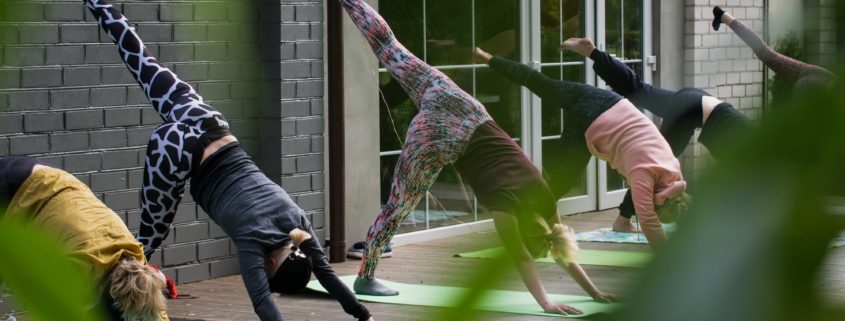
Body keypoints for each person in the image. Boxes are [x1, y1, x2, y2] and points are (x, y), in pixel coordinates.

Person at [83, 1, 373, 320]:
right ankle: (105, 306)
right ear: (272, 265)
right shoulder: (252, 244)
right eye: (269, 275)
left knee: (141, 58)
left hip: (210, 124)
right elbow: (263, 304)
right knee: (144, 243)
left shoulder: (298, 224)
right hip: (178, 153)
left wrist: (364, 315)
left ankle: (102, 6)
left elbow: (328, 276)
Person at [339, 0, 620, 315]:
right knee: (396, 209)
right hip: (440, 139)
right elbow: (526, 258)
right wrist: (548, 303)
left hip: (458, 103)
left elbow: (558, 248)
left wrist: (595, 292)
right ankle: (365, 276)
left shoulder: (544, 199)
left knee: (390, 49)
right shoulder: (506, 209)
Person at [473, 47, 690, 250]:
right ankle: (525, 227)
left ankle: (486, 57)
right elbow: (647, 220)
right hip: (592, 120)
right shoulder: (644, 174)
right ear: (659, 205)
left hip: (607, 100)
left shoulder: (673, 168)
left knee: (540, 82)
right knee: (561, 181)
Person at [559, 37, 750, 233]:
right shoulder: (750, 152)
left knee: (638, 90)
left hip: (696, 100)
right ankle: (623, 219)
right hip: (690, 111)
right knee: (651, 164)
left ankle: (593, 53)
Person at [0, 157, 169, 321]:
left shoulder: (138, 263)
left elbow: (156, 315)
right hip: (17, 189)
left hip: (53, 179)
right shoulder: (81, 269)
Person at [713, 6, 836, 95]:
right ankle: (724, 16)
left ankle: (724, 16)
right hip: (812, 84)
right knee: (766, 54)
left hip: (817, 76)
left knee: (766, 54)